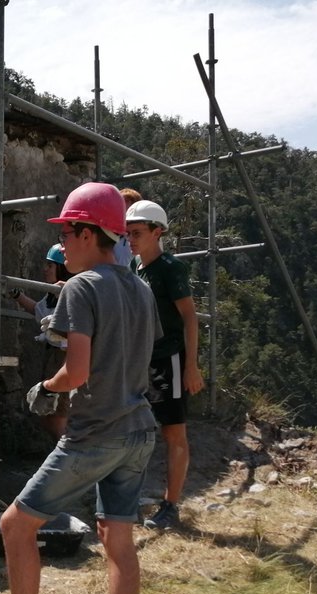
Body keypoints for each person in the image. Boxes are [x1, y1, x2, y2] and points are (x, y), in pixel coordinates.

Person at [0, 183, 160, 594]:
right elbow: (137, 356)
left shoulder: (81, 287)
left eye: (68, 232)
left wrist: (46, 387)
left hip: (96, 434)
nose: (63, 244)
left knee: (14, 525)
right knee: (117, 538)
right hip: (139, 430)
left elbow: (76, 371)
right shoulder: (141, 288)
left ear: (89, 232)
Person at [126, 200, 204, 530]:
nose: (131, 239)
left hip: (169, 358)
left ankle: (170, 506)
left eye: (138, 233)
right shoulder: (135, 268)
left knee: (173, 432)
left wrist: (191, 366)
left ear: (158, 232)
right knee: (135, 429)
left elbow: (189, 317)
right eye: (128, 233)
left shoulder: (171, 269)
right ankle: (128, 500)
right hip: (141, 359)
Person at [13, 243, 71, 438]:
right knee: (48, 411)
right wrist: (17, 295)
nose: (45, 269)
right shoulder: (52, 295)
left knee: (59, 413)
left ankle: (65, 454)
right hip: (52, 355)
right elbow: (38, 311)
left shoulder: (72, 293)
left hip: (66, 356)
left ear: (62, 268)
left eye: (50, 265)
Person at [113, 188, 143, 268]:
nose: (124, 212)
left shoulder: (146, 234)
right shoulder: (110, 234)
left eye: (128, 208)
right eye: (120, 206)